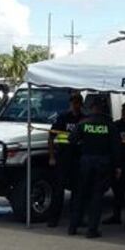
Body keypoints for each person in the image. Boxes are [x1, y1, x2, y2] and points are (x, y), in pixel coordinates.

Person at [68, 96, 121, 239]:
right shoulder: (109, 125)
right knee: (96, 197)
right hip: (102, 164)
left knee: (80, 195)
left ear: (91, 108)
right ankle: (92, 230)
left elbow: (71, 139)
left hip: (85, 162)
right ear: (102, 109)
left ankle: (73, 227)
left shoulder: (83, 123)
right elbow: (116, 147)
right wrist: (117, 166)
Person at [47, 92, 84, 228]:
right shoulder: (63, 117)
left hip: (78, 159)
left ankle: (76, 219)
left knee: (78, 191)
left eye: (78, 102)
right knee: (58, 191)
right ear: (70, 103)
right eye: (73, 102)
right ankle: (54, 219)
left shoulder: (84, 119)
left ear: (81, 104)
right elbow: (51, 137)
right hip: (63, 158)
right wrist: (51, 156)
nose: (75, 105)